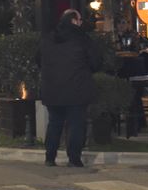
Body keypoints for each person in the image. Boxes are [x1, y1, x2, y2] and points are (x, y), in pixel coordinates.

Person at [39, 9, 102, 167]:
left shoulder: (49, 38)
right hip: (76, 89)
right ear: (74, 21)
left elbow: (38, 59)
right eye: (80, 20)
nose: (81, 23)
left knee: (54, 123)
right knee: (76, 124)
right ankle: (74, 158)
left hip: (52, 89)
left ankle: (50, 157)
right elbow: (95, 61)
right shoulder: (82, 38)